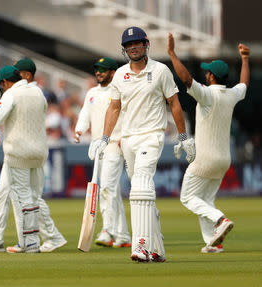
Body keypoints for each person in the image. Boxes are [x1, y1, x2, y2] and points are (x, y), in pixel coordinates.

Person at [90, 27, 195, 262]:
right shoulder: (119, 74)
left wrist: (183, 136)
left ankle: (141, 245)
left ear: (146, 45)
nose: (133, 48)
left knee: (140, 185)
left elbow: (174, 104)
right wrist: (104, 139)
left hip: (152, 135)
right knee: (142, 194)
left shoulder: (160, 71)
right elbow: (114, 107)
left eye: (137, 43)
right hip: (127, 139)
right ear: (124, 49)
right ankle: (158, 249)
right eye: (129, 45)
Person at [167, 33, 250, 253]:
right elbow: (244, 83)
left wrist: (172, 54)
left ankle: (220, 220)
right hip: (224, 160)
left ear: (212, 76)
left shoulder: (207, 95)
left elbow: (186, 80)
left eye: (207, 71)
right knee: (205, 200)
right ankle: (213, 242)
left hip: (204, 159)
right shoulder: (232, 94)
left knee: (187, 197)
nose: (205, 73)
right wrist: (244, 59)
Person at [0, 58, 67, 253]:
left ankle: (29, 242)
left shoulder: (11, 94)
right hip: (38, 152)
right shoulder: (39, 92)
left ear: (5, 83)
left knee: (23, 197)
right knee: (23, 195)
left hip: (18, 152)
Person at [74, 57, 131, 248]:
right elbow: (84, 114)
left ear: (112, 73)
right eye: (97, 69)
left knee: (106, 187)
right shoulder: (92, 92)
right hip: (97, 145)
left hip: (115, 143)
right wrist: (79, 130)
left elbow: (128, 115)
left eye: (103, 70)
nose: (98, 72)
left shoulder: (119, 91)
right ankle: (122, 235)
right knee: (111, 190)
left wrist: (125, 135)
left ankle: (108, 230)